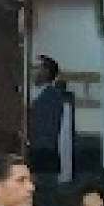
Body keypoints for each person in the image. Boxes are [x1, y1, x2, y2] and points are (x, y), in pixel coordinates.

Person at [27, 56, 74, 186]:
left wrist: (66, 173)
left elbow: (65, 138)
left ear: (46, 72)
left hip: (45, 164)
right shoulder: (24, 94)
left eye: (36, 67)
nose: (32, 71)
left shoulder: (59, 101)